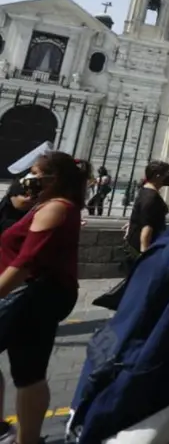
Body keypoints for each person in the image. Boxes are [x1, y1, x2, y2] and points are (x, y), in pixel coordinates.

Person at [0, 152, 90, 444]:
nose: (31, 176)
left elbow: (25, 262)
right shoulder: (49, 205)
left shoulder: (56, 208)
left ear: (55, 177)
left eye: (37, 172)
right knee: (29, 371)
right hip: (40, 296)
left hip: (34, 295)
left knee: (29, 371)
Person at [125, 161, 169, 255]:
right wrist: (144, 255)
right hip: (142, 248)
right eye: (167, 173)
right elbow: (147, 228)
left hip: (134, 245)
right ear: (157, 176)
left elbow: (142, 214)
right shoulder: (151, 197)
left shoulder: (145, 190)